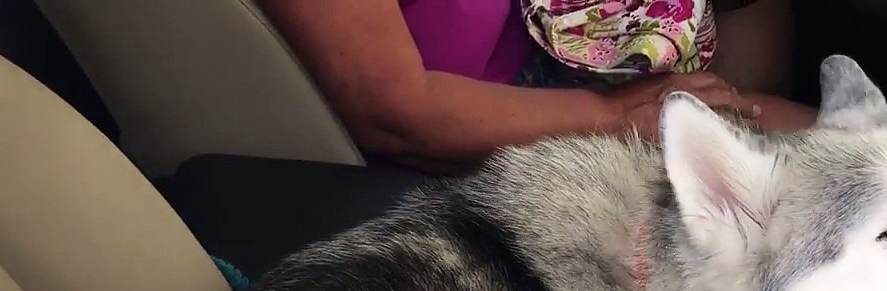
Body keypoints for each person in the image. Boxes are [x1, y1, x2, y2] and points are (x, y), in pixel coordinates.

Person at [259, 0, 815, 173]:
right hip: (505, 135)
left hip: (571, 50)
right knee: (824, 163)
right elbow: (397, 112)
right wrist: (615, 118)